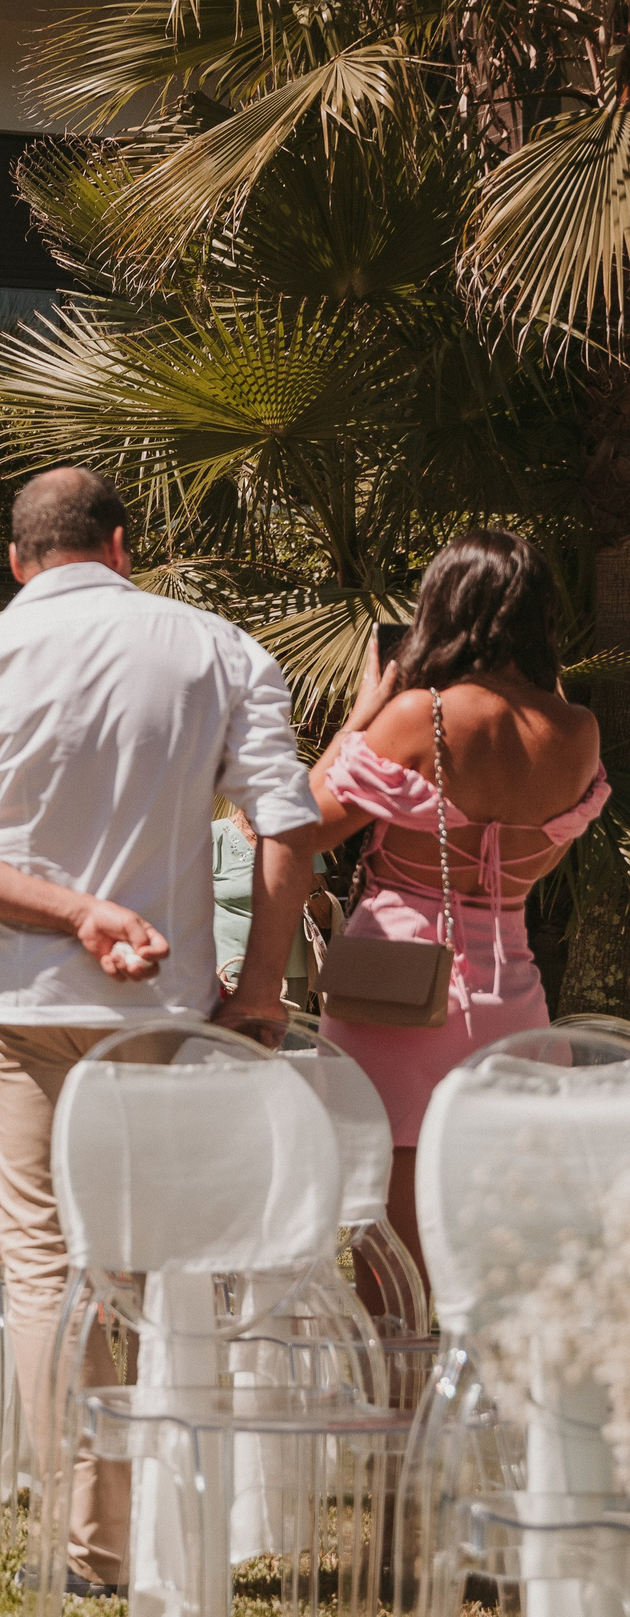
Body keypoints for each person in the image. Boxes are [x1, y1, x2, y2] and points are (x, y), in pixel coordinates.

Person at [0, 467, 321, 1598]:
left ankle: (94, 1546)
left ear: (18, 557)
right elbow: (284, 820)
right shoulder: (217, 646)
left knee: (42, 1267)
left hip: (20, 1005)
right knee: (143, 1264)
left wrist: (71, 913)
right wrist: (261, 987)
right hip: (165, 1010)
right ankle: (168, 1525)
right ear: (121, 543)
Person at [240, 530, 608, 1287]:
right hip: (513, 1001)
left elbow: (287, 825)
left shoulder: (421, 716)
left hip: (396, 996)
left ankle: (395, 1403)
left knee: (391, 1274)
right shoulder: (575, 732)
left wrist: (359, 715)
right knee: (493, 1267)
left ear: (444, 606)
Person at [209, 808, 328, 1005]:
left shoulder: (302, 836)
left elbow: (324, 918)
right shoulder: (213, 835)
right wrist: (206, 968)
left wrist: (307, 879)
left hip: (291, 974)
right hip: (231, 973)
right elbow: (187, 915)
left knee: (287, 1036)